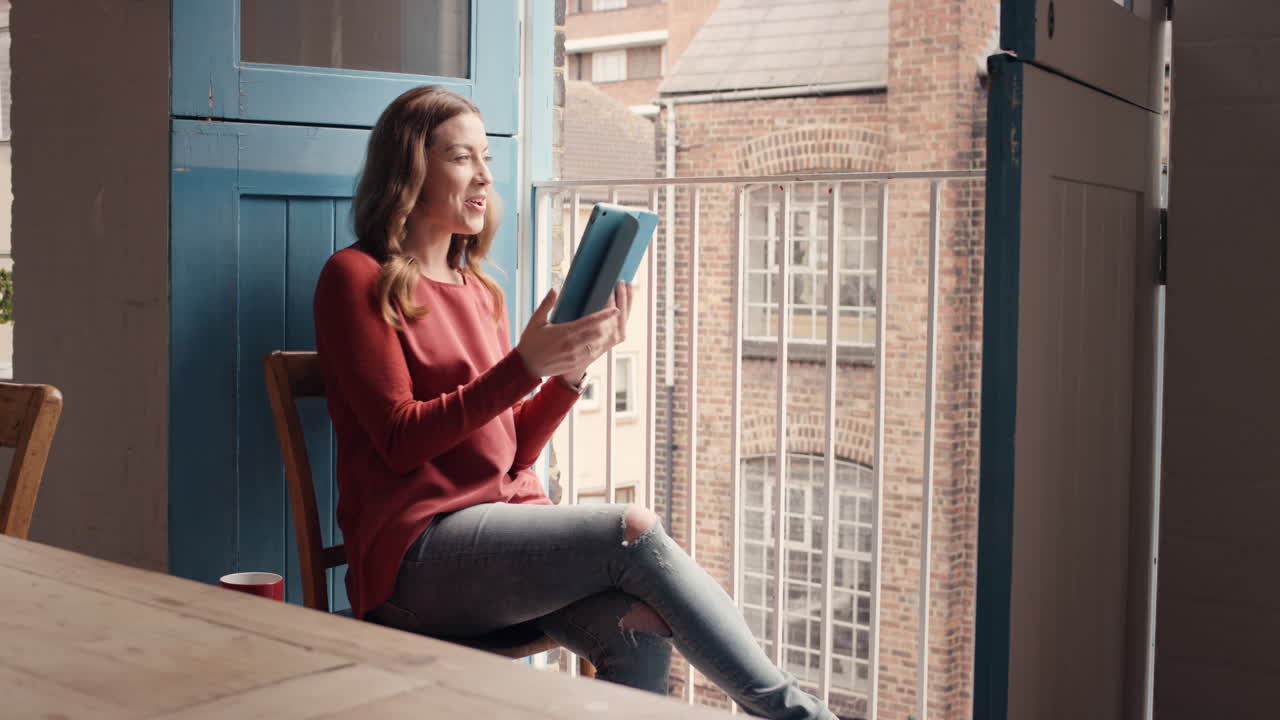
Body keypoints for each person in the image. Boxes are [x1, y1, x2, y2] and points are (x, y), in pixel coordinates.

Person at [313, 85, 837, 720]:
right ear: (410, 169)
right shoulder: (354, 278)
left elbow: (509, 452)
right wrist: (523, 367)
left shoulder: (481, 292)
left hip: (496, 535)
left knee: (641, 626)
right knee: (633, 529)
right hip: (415, 558)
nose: (482, 176)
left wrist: (567, 373)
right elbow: (399, 440)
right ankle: (799, 714)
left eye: (487, 158)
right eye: (460, 158)